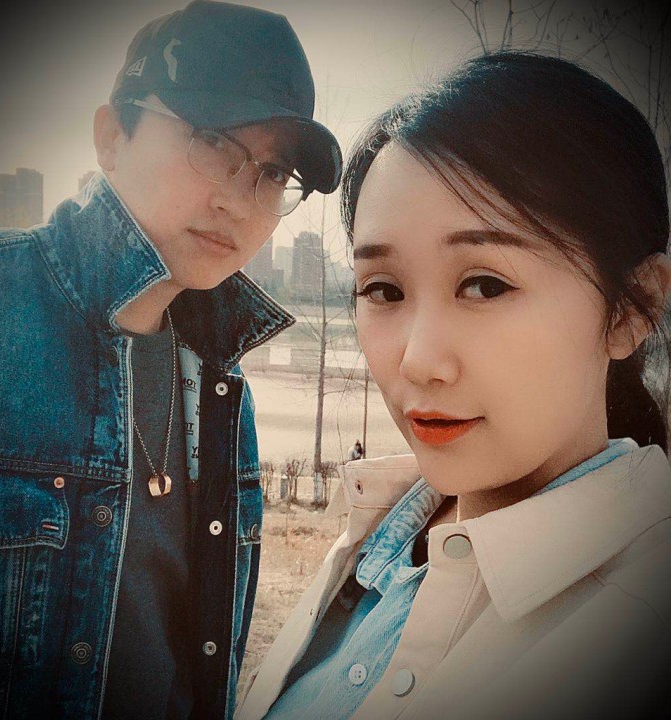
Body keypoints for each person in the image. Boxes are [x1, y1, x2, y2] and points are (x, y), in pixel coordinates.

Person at [236, 52, 671, 720]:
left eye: (485, 285)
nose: (418, 361)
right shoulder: (378, 541)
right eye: (384, 290)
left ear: (631, 309)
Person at [0, 2, 341, 718]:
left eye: (272, 171)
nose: (239, 201)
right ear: (111, 136)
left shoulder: (222, 383)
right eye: (213, 141)